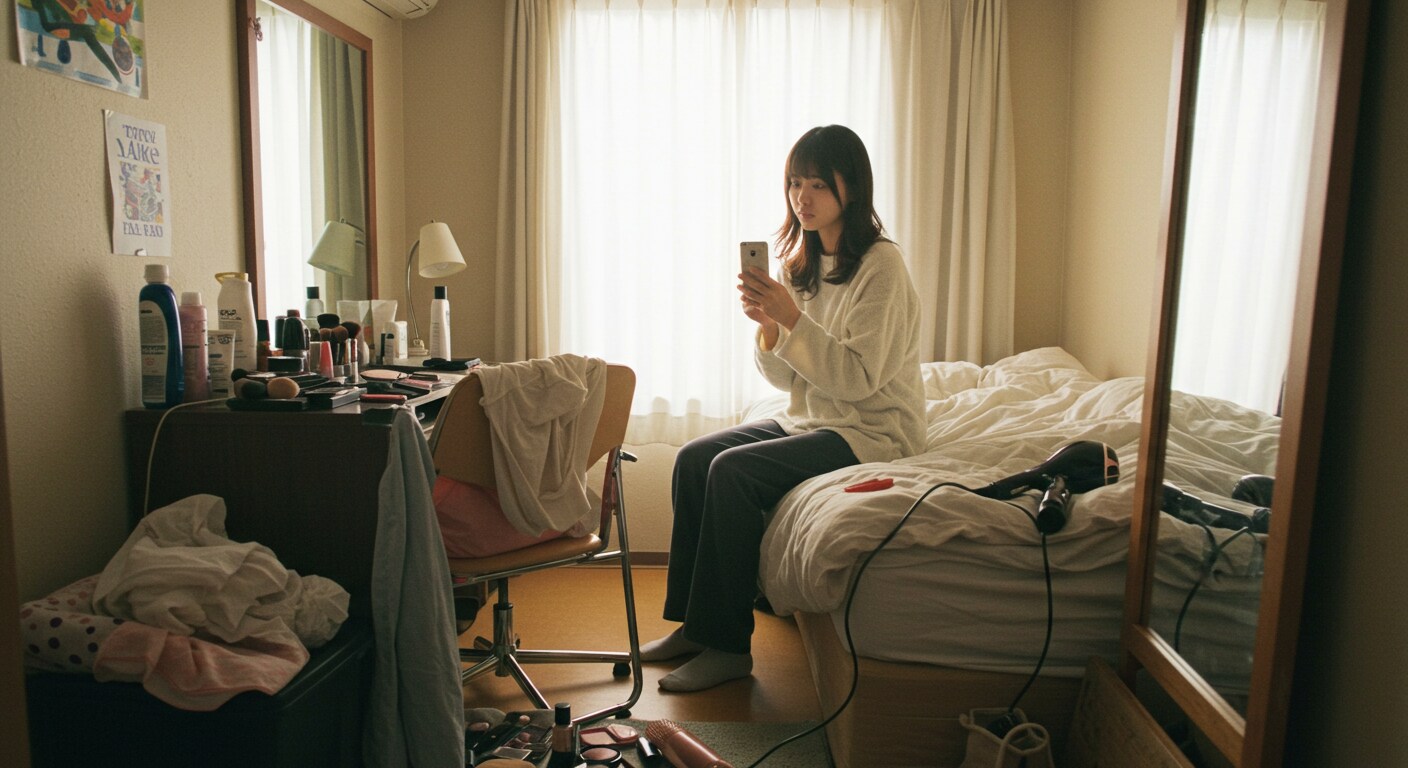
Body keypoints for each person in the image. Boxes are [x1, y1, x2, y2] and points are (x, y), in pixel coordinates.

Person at [642, 125, 926, 692]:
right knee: (695, 458)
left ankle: (729, 648)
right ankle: (697, 627)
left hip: (873, 429)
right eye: (796, 183)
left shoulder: (881, 267)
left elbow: (858, 379)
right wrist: (771, 325)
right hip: (813, 419)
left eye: (818, 184)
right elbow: (783, 376)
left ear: (852, 187)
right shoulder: (804, 263)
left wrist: (792, 319)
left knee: (734, 472)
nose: (803, 197)